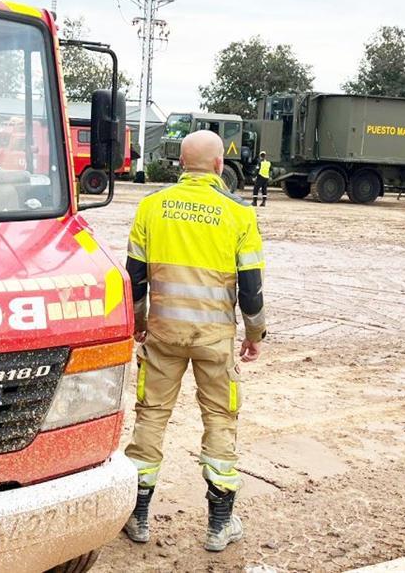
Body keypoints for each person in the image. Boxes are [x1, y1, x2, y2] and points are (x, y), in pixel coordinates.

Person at [122, 129, 267, 553]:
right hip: (214, 340)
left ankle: (139, 518)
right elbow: (251, 289)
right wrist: (255, 334)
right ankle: (220, 525)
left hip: (163, 335)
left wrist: (139, 323)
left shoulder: (151, 208)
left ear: (180, 164)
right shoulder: (239, 215)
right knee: (221, 421)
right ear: (220, 165)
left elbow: (134, 278)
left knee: (151, 418)